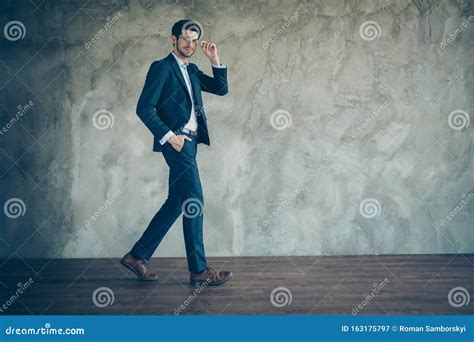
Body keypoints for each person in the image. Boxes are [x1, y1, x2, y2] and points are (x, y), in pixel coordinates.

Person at [121, 19, 232, 286]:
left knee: (177, 203)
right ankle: (198, 270)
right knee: (194, 201)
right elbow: (144, 108)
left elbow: (221, 88)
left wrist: (215, 59)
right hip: (177, 142)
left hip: (192, 143)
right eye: (185, 39)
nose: (190, 44)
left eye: (194, 40)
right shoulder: (162, 68)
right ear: (173, 40)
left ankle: (137, 256)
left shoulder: (193, 69)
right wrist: (170, 137)